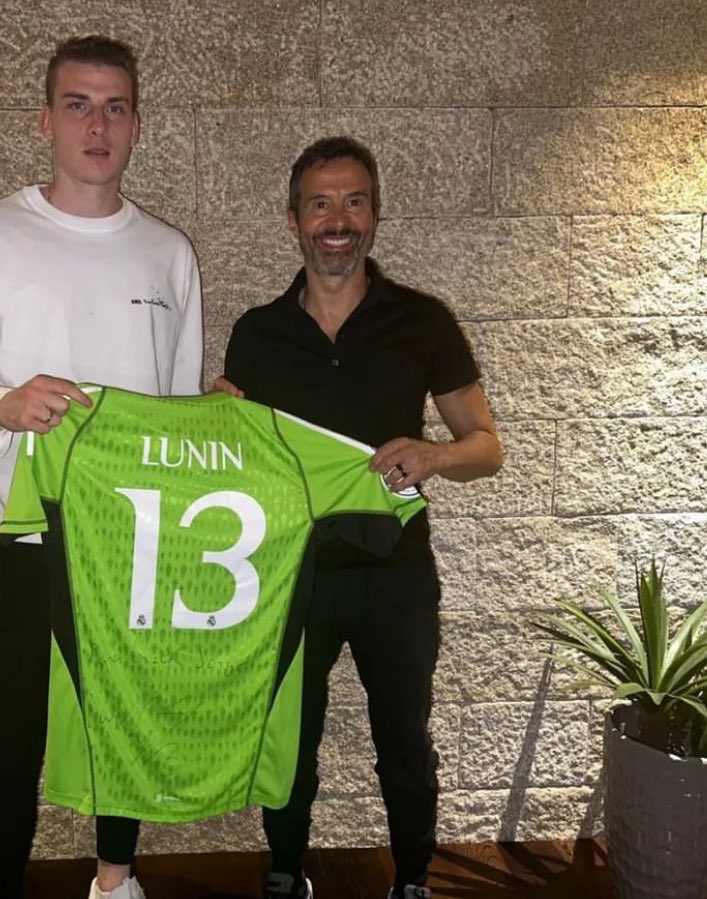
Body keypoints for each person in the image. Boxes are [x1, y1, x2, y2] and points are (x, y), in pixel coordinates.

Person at [0, 35, 202, 899]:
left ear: (138, 126)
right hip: (20, 543)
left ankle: (115, 880)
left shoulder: (168, 253)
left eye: (114, 106)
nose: (96, 124)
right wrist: (3, 402)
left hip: (129, 548)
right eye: (77, 104)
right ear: (45, 120)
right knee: (6, 745)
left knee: (120, 728)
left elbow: (175, 416)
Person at [214, 136, 503, 899]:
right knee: (288, 737)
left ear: (373, 215)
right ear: (293, 220)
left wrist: (434, 455)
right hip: (288, 572)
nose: (336, 220)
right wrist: (217, 423)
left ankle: (411, 879)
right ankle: (283, 871)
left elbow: (487, 447)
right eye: (320, 203)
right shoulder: (256, 332)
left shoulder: (422, 321)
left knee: (402, 737)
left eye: (353, 201)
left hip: (394, 572)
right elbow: (233, 456)